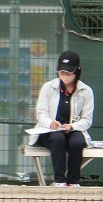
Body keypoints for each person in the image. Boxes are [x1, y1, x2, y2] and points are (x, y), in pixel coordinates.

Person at [29, 51, 94, 187]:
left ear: (77, 71)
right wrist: (50, 123)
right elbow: (41, 114)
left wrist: (71, 127)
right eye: (62, 72)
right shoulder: (48, 87)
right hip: (49, 131)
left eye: (69, 73)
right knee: (57, 138)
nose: (64, 75)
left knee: (77, 142)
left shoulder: (86, 91)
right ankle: (60, 180)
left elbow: (87, 120)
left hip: (73, 130)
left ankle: (73, 181)